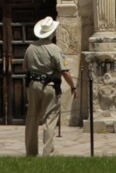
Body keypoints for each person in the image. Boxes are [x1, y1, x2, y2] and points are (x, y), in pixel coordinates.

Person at [23, 16, 76, 156]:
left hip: (33, 85)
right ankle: (47, 153)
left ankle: (31, 152)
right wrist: (73, 86)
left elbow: (26, 67)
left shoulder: (30, 48)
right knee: (50, 119)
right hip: (50, 87)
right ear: (51, 33)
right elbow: (65, 71)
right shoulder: (54, 49)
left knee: (32, 119)